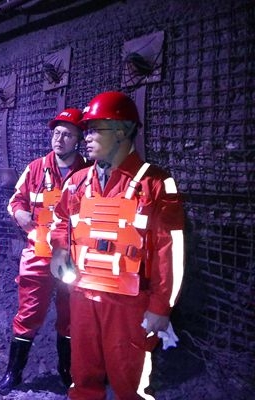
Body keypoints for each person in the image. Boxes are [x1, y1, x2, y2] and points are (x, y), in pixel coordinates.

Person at [50, 91, 185, 399]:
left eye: (95, 129)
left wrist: (161, 306)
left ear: (122, 132)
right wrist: (60, 248)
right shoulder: (77, 182)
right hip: (83, 294)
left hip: (130, 302)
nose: (86, 137)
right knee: (82, 378)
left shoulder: (155, 184)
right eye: (86, 130)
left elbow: (169, 250)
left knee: (130, 384)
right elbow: (60, 219)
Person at [0, 108, 89, 394]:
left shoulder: (88, 173)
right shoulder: (36, 168)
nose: (59, 139)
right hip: (38, 252)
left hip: (73, 257)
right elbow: (16, 200)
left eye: (67, 134)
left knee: (70, 315)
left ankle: (66, 372)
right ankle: (14, 373)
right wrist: (19, 213)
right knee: (28, 313)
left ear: (78, 139)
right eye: (56, 133)